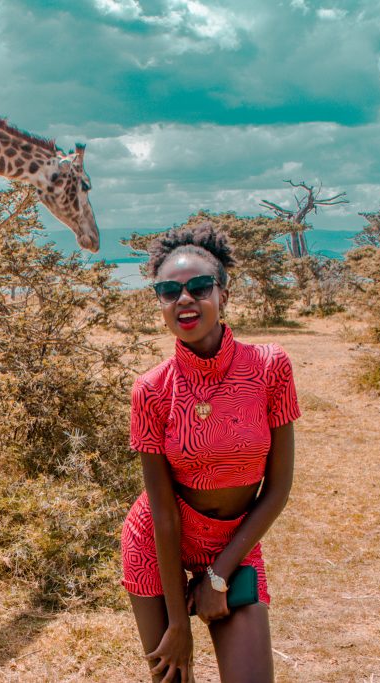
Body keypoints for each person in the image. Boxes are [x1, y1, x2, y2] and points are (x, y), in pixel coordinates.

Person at [121, 222, 301, 682]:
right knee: (172, 675)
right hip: (158, 542)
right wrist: (179, 625)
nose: (184, 299)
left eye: (199, 286)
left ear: (224, 294)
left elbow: (278, 489)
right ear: (159, 303)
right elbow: (162, 514)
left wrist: (218, 576)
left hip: (235, 544)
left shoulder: (268, 367)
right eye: (169, 290)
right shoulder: (152, 390)